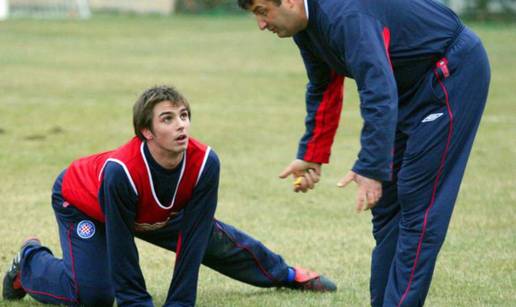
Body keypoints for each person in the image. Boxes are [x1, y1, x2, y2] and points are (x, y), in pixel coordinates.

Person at [238, 0, 490, 306]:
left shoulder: (346, 16)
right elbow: (324, 83)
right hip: (405, 86)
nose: (261, 23)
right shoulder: (305, 27)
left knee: (417, 201)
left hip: (450, 72)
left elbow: (377, 88)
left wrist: (372, 168)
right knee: (385, 206)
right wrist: (313, 151)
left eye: (262, 11)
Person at [2, 85, 336, 307]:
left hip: (147, 213)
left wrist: (179, 303)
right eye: (168, 119)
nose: (181, 126)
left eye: (184, 116)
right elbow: (121, 246)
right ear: (146, 132)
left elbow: (196, 239)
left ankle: (288, 274)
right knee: (94, 297)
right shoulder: (123, 172)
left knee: (213, 241)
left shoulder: (205, 162)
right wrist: (137, 303)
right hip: (82, 204)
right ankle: (29, 262)